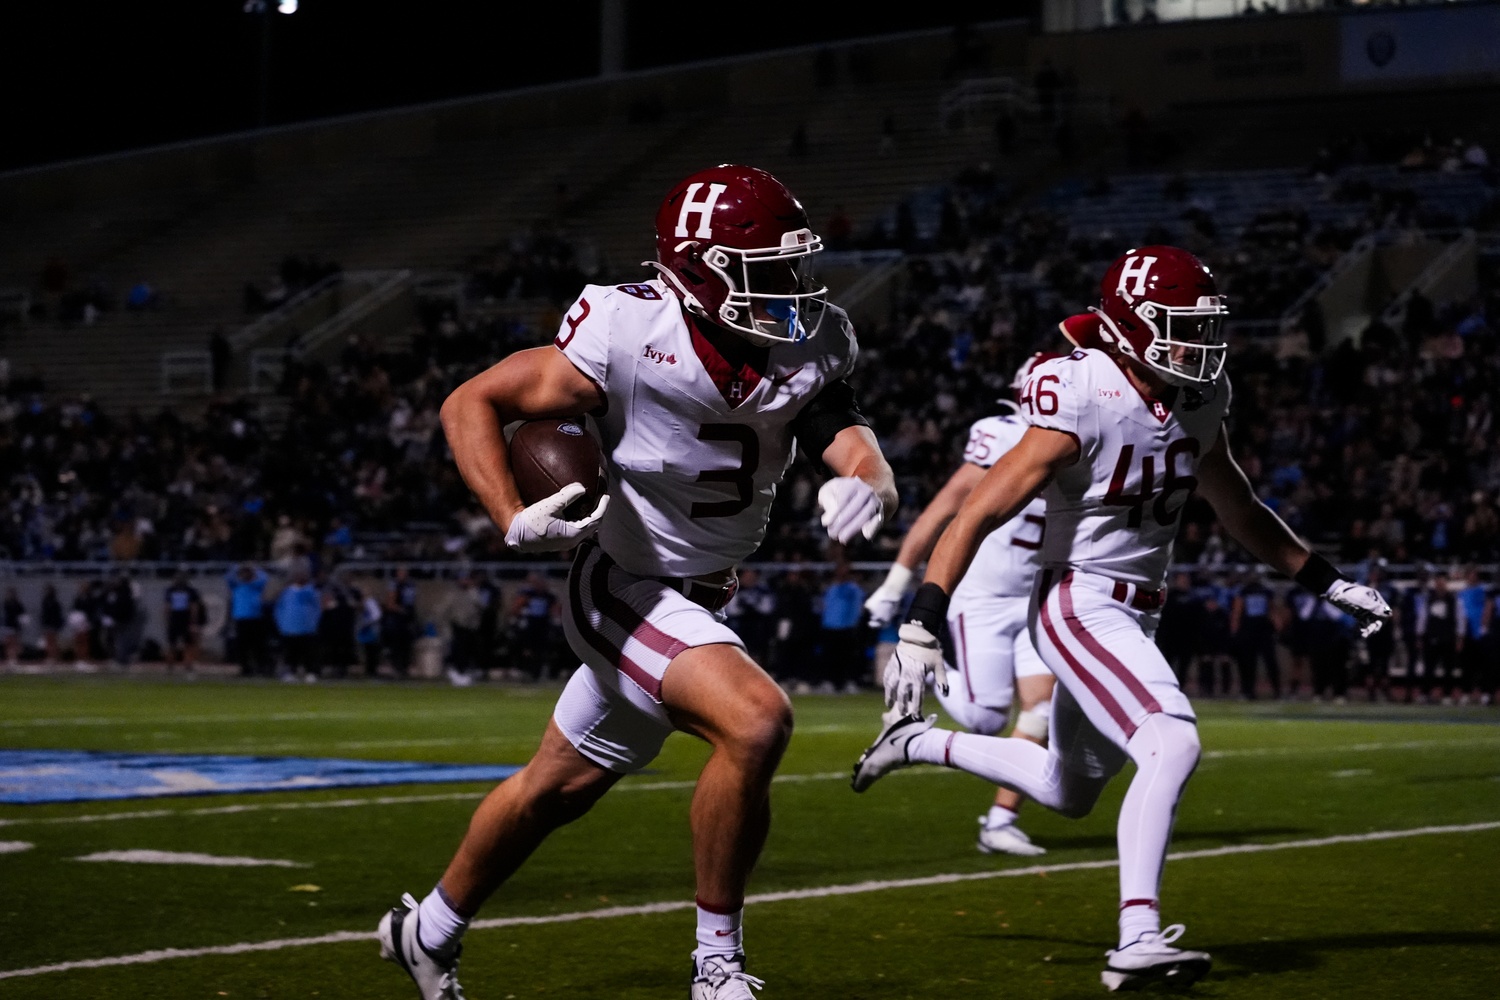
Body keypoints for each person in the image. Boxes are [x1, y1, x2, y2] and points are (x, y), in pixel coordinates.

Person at [377, 164, 896, 1000]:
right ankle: (716, 964)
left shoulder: (813, 339)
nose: (790, 289)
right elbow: (471, 401)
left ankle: (426, 931)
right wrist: (511, 515)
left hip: (703, 595)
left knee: (557, 788)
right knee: (756, 721)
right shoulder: (627, 326)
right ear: (699, 270)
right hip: (624, 582)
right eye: (765, 271)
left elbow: (848, 435)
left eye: (792, 267)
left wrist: (869, 483)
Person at [851, 246, 1390, 992]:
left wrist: (1329, 582)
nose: (1199, 344)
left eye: (1204, 326)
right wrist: (920, 621)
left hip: (1138, 614)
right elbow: (975, 512)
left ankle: (916, 741)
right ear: (1133, 327)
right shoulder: (1082, 392)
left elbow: (1238, 507)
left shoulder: (1200, 396)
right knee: (1172, 742)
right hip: (1078, 600)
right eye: (1180, 326)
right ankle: (1137, 937)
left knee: (1067, 792)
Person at [862, 352, 1065, 858]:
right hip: (984, 598)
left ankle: (1000, 821)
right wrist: (896, 582)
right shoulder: (1000, 435)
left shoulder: (1084, 443)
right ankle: (929, 669)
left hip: (1036, 597)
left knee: (1042, 711)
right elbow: (944, 510)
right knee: (985, 721)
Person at [275, 569, 322, 681]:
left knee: (308, 652)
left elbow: (317, 609)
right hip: (289, 628)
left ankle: (311, 672)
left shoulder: (311, 592)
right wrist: (282, 624)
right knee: (290, 653)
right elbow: (279, 609)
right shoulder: (286, 592)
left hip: (307, 628)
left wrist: (313, 623)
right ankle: (290, 672)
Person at [227, 563, 270, 677]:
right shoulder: (236, 586)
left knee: (257, 645)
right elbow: (228, 576)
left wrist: (254, 568)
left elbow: (264, 577)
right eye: (243, 573)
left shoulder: (256, 585)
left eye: (247, 573)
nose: (245, 575)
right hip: (241, 619)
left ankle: (261, 667)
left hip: (255, 618)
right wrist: (238, 567)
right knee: (242, 646)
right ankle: (245, 668)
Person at [163, 572, 205, 674]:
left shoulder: (187, 591)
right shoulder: (174, 591)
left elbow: (193, 607)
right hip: (179, 619)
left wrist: (193, 621)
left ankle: (183, 664)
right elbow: (167, 607)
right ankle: (175, 664)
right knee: (177, 644)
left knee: (185, 644)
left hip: (182, 619)